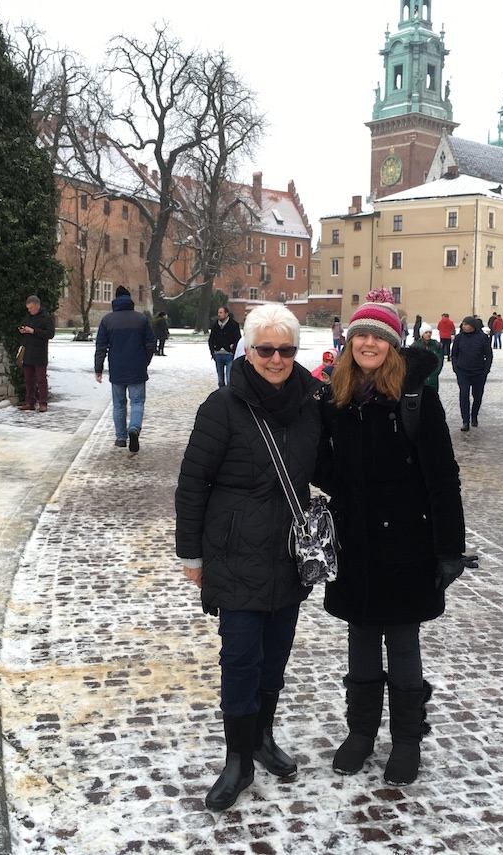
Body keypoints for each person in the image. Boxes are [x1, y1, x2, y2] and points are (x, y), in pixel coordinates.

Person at [315, 295, 472, 787]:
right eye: (361, 335)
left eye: (379, 337)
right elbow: (323, 468)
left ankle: (406, 739)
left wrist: (449, 549)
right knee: (360, 638)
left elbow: (443, 477)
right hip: (355, 542)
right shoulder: (335, 397)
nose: (368, 343)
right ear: (349, 342)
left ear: (392, 345)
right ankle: (361, 732)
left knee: (402, 642)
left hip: (406, 544)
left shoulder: (415, 397)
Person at [175, 304, 323, 811]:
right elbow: (193, 483)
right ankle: (237, 759)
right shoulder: (222, 406)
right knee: (241, 660)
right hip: (235, 554)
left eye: (286, 349)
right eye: (266, 349)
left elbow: (336, 466)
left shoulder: (310, 404)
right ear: (248, 350)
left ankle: (261, 737)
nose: (277, 358)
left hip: (288, 555)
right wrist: (191, 555)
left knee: (275, 660)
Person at [94, 286, 155, 451]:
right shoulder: (141, 319)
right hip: (137, 368)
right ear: (130, 300)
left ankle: (121, 437)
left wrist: (98, 369)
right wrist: (145, 361)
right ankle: (134, 428)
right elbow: (151, 343)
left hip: (117, 368)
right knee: (137, 401)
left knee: (119, 404)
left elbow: (101, 346)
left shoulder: (107, 320)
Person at [450, 316, 492, 431]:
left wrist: (486, 370)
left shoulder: (483, 338)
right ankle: (465, 421)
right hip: (462, 371)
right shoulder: (459, 338)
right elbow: (454, 354)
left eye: (466, 324)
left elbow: (488, 355)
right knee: (464, 395)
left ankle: (474, 416)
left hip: (479, 372)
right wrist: (456, 367)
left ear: (472, 326)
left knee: (477, 396)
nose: (463, 326)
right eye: (462, 324)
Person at [17, 295, 55, 412]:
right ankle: (30, 402)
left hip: (39, 352)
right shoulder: (28, 317)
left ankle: (43, 403)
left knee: (41, 379)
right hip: (28, 351)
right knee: (28, 379)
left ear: (37, 305)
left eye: (31, 308)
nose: (29, 310)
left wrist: (33, 331)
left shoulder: (46, 318)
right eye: (28, 308)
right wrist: (22, 330)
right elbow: (24, 326)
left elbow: (50, 334)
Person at [209, 306, 242, 389]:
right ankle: (221, 397)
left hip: (229, 355)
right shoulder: (215, 325)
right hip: (218, 354)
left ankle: (229, 397)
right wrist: (213, 352)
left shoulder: (234, 325)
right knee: (220, 381)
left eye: (221, 313)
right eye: (218, 313)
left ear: (226, 314)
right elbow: (211, 339)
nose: (219, 315)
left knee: (229, 379)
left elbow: (238, 338)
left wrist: (233, 348)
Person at [417, 323, 443, 390]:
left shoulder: (436, 346)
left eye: (430, 332)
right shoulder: (416, 346)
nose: (428, 334)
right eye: (426, 332)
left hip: (433, 377)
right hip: (420, 377)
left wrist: (436, 371)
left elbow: (440, 359)